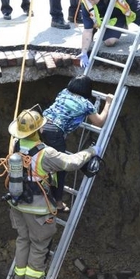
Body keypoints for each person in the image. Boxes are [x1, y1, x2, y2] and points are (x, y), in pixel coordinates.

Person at [6, 110, 98, 279]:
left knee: (23, 238)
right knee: (40, 242)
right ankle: (34, 278)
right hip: (37, 207)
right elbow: (71, 163)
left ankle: (19, 274)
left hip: (16, 203)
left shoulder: (16, 144)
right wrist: (91, 151)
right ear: (39, 129)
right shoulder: (45, 153)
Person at [40, 75, 112, 212]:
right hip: (54, 132)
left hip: (40, 126)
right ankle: (58, 203)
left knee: (41, 161)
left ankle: (44, 194)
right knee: (60, 168)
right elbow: (99, 122)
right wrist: (108, 103)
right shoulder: (86, 104)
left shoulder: (63, 92)